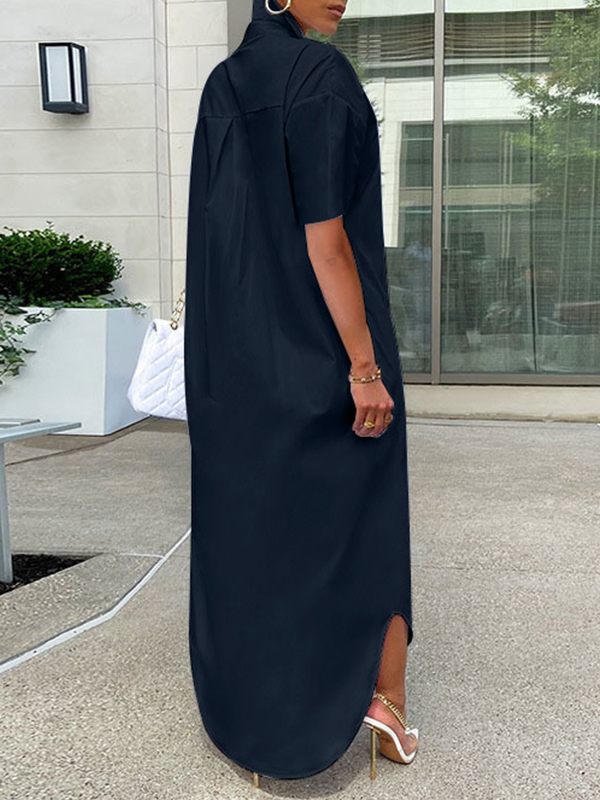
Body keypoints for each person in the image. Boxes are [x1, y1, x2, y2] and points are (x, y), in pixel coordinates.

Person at [184, 0, 418, 785]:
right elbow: (327, 241)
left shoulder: (223, 85)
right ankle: (387, 705)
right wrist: (364, 366)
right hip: (331, 356)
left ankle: (258, 716)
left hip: (238, 368)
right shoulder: (320, 74)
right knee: (371, 524)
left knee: (254, 540)